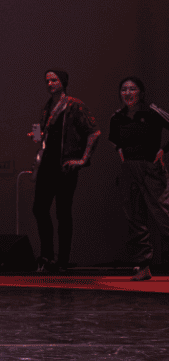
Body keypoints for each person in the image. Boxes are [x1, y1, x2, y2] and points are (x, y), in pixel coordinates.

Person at [28, 69, 100, 273]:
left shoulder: (74, 105)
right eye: (47, 80)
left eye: (54, 80)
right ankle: (47, 255)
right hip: (47, 164)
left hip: (65, 166)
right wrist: (37, 136)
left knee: (63, 212)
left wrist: (83, 159)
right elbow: (46, 135)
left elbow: (94, 132)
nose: (50, 84)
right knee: (39, 208)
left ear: (63, 82)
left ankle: (62, 259)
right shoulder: (47, 106)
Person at [108, 76, 169, 281]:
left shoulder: (152, 112)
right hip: (129, 169)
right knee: (135, 219)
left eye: (132, 89)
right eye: (124, 89)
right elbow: (115, 141)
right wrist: (122, 155)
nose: (128, 93)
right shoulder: (117, 117)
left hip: (150, 169)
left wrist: (163, 150)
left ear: (141, 93)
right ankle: (143, 266)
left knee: (164, 215)